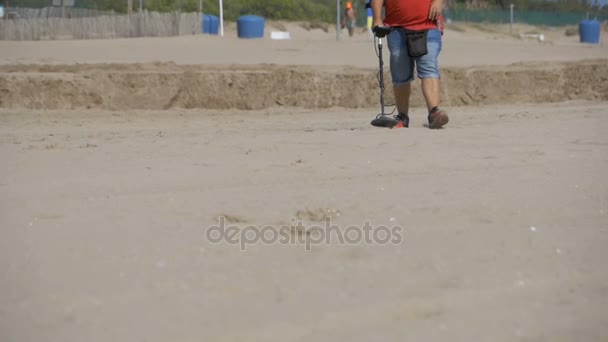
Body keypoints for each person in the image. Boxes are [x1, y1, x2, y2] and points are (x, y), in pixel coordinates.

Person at [371, 0, 449, 129]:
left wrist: (438, 2)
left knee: (428, 66)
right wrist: (377, 18)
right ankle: (402, 117)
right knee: (400, 72)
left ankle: (434, 113)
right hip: (396, 27)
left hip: (429, 24)